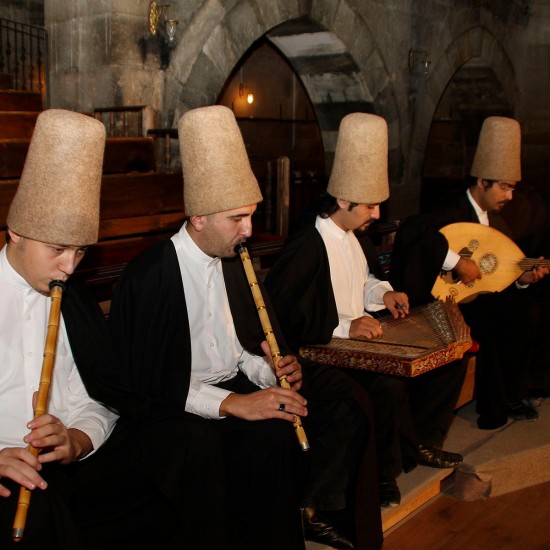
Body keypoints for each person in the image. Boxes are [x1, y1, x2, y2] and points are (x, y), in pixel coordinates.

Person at [108, 105, 382, 550]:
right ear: (199, 217)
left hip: (228, 387)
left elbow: (239, 350)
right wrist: (235, 403)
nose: (249, 230)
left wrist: (268, 372)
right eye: (238, 218)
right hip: (172, 407)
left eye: (251, 215)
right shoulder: (151, 276)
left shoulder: (234, 260)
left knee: (297, 424)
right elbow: (151, 383)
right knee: (222, 447)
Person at [265, 113, 465, 510]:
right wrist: (346, 324)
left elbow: (364, 280)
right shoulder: (307, 244)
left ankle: (415, 447)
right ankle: (381, 476)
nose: (376, 214)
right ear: (343, 200)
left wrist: (383, 293)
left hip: (357, 344)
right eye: (370, 206)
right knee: (386, 387)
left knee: (448, 363)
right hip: (317, 353)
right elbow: (290, 314)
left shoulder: (355, 237)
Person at [0, 109, 118, 548]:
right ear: (15, 233)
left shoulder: (74, 301)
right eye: (57, 249)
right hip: (5, 475)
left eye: (81, 252)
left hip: (66, 468)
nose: (69, 268)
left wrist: (77, 439)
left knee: (179, 449)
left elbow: (100, 398)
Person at [390, 116, 549, 429]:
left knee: (532, 309)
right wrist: (455, 262)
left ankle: (511, 395)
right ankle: (499, 403)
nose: (510, 196)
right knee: (504, 319)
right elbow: (413, 231)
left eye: (513, 188)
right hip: (440, 301)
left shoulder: (496, 221)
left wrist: (523, 280)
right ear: (482, 183)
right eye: (504, 187)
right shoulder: (450, 210)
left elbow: (499, 271)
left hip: (480, 301)